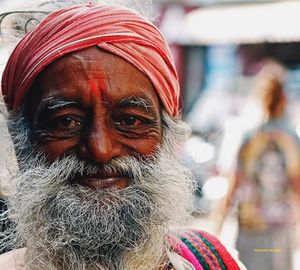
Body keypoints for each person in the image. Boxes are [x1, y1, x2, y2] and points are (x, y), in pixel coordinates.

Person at [0, 2, 245, 270]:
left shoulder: (212, 262)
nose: (100, 149)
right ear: (21, 141)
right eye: (66, 121)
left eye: (130, 120)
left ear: (166, 135)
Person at [211, 60, 300, 270]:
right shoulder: (291, 138)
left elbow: (233, 183)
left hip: (250, 226)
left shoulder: (246, 135)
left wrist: (218, 223)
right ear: (283, 99)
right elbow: (297, 184)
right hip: (281, 228)